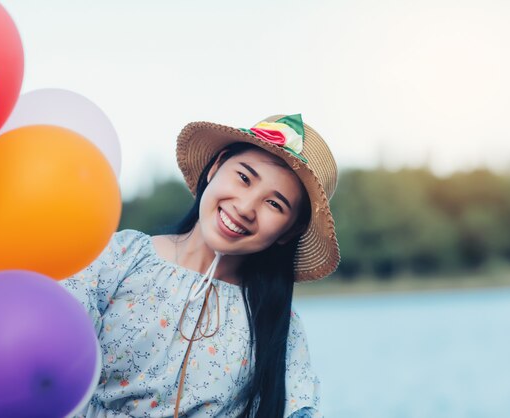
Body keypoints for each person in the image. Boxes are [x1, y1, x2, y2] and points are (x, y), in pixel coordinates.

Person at [61, 114, 340, 418]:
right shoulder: (120, 258)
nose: (245, 208)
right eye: (244, 178)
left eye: (274, 204)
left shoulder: (278, 323)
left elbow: (299, 407)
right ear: (217, 166)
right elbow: (48, 355)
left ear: (288, 231)